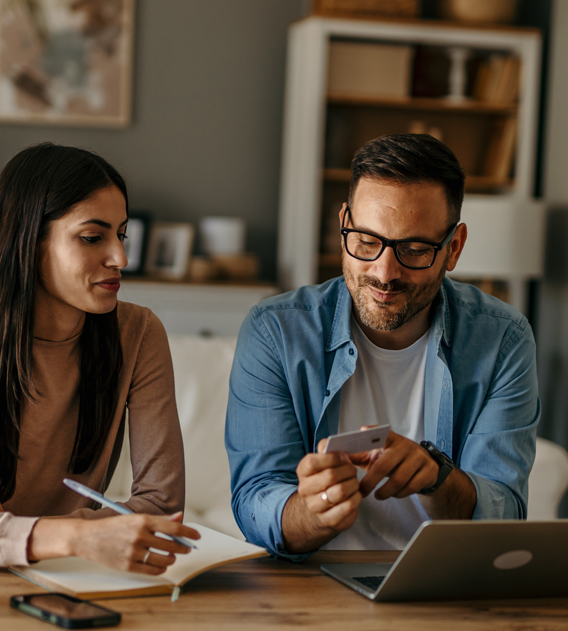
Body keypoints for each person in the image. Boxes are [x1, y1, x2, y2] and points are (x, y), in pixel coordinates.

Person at [225, 134, 539, 559]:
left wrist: (435, 477)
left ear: (454, 248)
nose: (384, 272)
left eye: (414, 249)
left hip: (444, 586)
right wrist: (311, 513)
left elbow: (503, 515)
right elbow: (254, 502)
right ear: (343, 226)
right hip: (310, 588)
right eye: (367, 241)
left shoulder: (503, 339)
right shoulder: (275, 332)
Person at [0, 143, 199, 571]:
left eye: (121, 235)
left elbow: (162, 504)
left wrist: (3, 522)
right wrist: (79, 535)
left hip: (82, 579)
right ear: (29, 240)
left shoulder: (139, 335)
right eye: (92, 237)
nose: (120, 257)